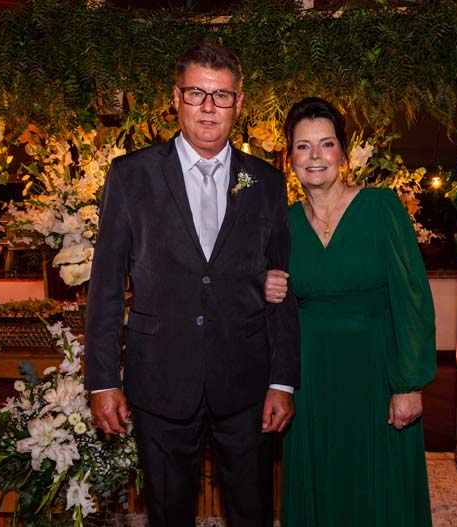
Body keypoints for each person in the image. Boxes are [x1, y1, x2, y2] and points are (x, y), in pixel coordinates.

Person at [84, 43, 300, 527]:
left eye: (221, 96)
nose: (208, 107)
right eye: (196, 93)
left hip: (245, 381)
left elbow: (281, 286)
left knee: (253, 512)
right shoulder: (131, 175)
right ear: (176, 98)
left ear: (238, 104)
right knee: (167, 513)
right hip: (160, 379)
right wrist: (103, 380)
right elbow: (106, 286)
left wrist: (281, 381)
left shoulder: (265, 181)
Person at [264, 97, 437, 526]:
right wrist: (264, 287)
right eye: (303, 146)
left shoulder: (381, 208)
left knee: (380, 485)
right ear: (290, 158)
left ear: (342, 151)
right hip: (312, 379)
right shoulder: (283, 223)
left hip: (377, 374)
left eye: (326, 144)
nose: (316, 156)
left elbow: (413, 297)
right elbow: (270, 302)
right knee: (322, 480)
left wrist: (409, 384)